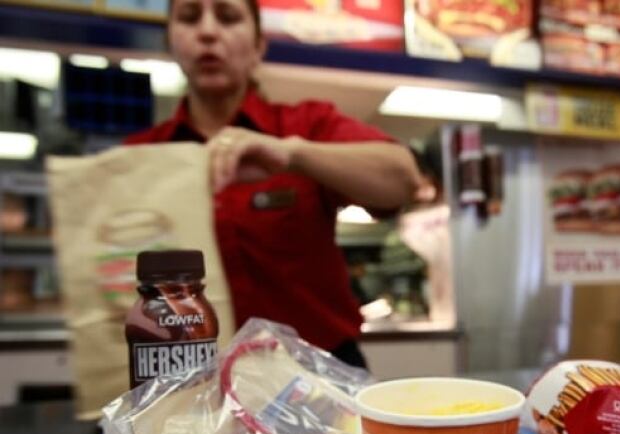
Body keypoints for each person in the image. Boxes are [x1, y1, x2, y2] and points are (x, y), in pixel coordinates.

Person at [125, 0, 422, 368]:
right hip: (188, 385)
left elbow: (402, 179)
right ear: (170, 43)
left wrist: (293, 154)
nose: (207, 31)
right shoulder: (137, 159)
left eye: (228, 17)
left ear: (258, 46)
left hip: (316, 380)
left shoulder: (308, 126)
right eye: (188, 17)